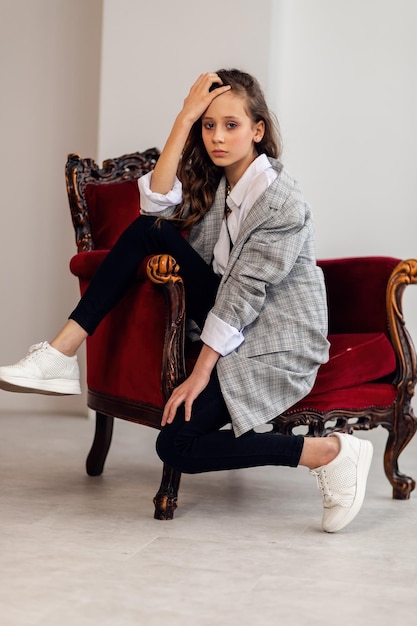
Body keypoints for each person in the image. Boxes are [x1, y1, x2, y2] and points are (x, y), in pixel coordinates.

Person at [0, 69, 373, 532]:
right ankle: (59, 354)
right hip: (232, 321)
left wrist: (200, 373)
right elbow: (153, 209)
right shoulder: (220, 185)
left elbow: (244, 294)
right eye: (208, 124)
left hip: (275, 339)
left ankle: (330, 453)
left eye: (231, 125)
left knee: (177, 445)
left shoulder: (280, 202)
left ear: (258, 131)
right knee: (149, 231)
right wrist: (183, 118)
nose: (217, 137)